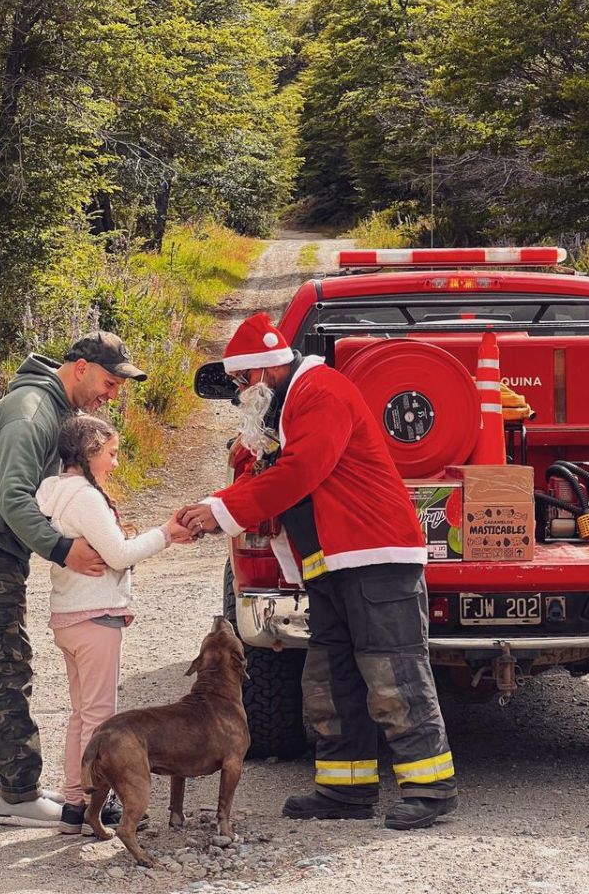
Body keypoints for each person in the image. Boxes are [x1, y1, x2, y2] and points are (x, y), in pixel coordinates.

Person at [179, 312, 457, 831]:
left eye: (241, 381)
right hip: (331, 562)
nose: (239, 392)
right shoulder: (286, 408)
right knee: (331, 675)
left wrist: (217, 511)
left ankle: (431, 789)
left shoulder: (321, 392)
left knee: (392, 671)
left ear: (264, 371)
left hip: (374, 558)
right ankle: (344, 788)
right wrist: (213, 505)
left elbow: (301, 471)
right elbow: (262, 473)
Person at [0, 331, 146, 828]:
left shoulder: (54, 410)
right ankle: (19, 795)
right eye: (109, 381)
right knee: (6, 667)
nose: (113, 393)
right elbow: (13, 499)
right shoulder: (32, 413)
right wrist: (61, 549)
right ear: (79, 367)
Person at [35, 414, 192, 833]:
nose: (116, 463)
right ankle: (94, 809)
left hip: (69, 615)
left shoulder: (54, 491)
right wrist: (166, 533)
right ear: (89, 452)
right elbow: (120, 554)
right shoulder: (85, 497)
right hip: (95, 615)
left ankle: (74, 801)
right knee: (101, 719)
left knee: (81, 714)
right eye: (111, 453)